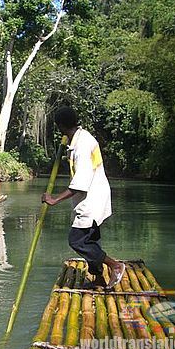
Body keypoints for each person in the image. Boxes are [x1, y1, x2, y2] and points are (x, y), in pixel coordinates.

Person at [42, 106, 125, 289]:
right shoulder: (79, 139)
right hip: (91, 197)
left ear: (61, 126)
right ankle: (98, 279)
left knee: (77, 240)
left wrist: (54, 199)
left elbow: (80, 184)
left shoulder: (82, 145)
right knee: (91, 239)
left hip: (92, 198)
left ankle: (114, 265)